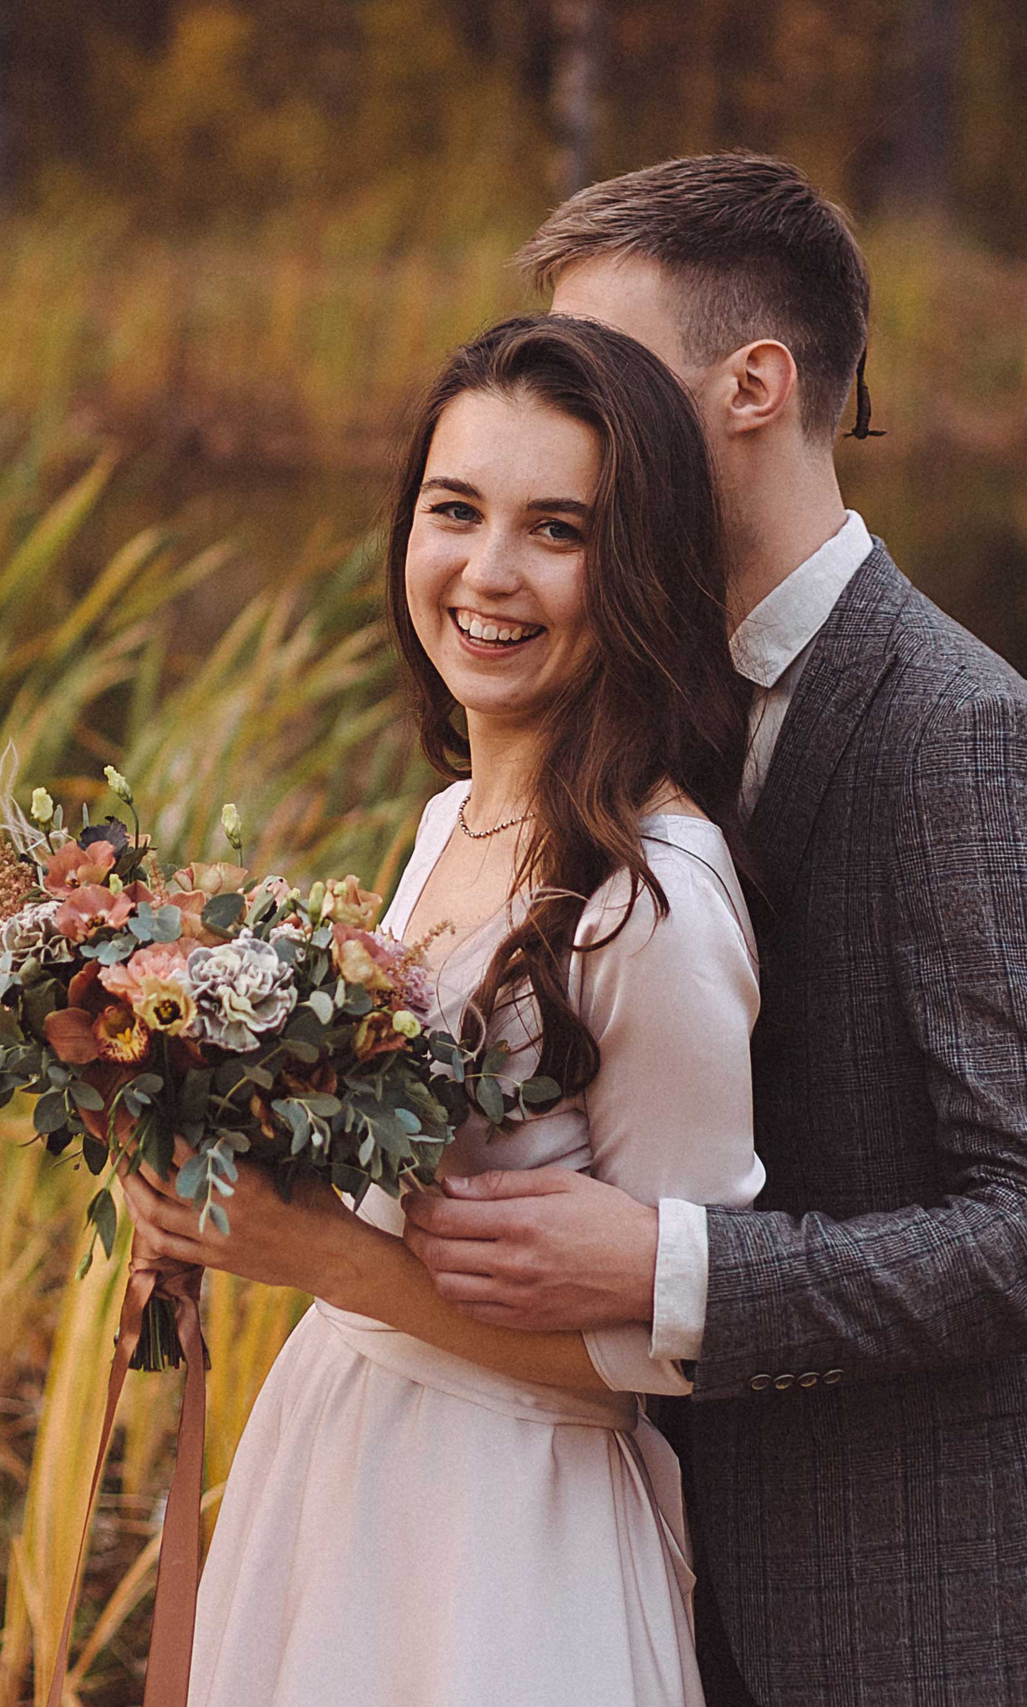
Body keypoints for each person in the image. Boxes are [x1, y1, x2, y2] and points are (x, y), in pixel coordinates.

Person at [398, 153, 1027, 1705]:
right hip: (657, 1586)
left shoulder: (959, 731)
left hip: (934, 1634)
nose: (567, 411)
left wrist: (669, 1266)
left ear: (752, 385)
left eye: (610, 372)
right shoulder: (629, 693)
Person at [123, 311, 766, 1706]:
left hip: (515, 1537)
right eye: (455, 510)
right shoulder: (447, 822)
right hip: (347, 1460)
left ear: (636, 567)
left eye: (556, 530)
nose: (487, 571)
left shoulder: (653, 899)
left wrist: (323, 1260)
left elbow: (688, 1355)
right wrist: (213, 1162)